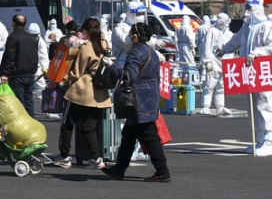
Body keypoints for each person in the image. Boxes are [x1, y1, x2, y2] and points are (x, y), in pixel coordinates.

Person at [102, 22, 171, 182]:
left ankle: (163, 171)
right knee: (128, 135)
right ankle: (119, 169)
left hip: (138, 99)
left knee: (150, 136)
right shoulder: (150, 51)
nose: (129, 37)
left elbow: (128, 75)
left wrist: (112, 67)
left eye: (131, 34)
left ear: (136, 36)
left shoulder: (135, 52)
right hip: (149, 97)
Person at [220, 0, 272, 156]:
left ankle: (270, 142)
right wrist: (224, 49)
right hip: (248, 71)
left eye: (250, 8)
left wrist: (257, 53)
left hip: (263, 71)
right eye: (246, 8)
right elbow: (235, 40)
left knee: (265, 103)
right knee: (252, 105)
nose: (247, 12)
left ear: (258, 9)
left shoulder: (269, 27)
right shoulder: (247, 27)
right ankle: (259, 140)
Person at [54, 18, 112, 169]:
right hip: (98, 93)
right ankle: (97, 158)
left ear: (85, 31)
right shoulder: (104, 43)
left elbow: (77, 71)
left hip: (81, 91)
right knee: (88, 127)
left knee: (67, 123)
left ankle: (64, 156)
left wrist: (65, 79)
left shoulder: (87, 46)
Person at [0, 14, 39, 117]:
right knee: (29, 102)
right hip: (30, 74)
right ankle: (32, 125)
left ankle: (21, 126)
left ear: (14, 24)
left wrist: (5, 73)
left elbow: (9, 57)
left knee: (19, 102)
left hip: (17, 75)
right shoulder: (31, 38)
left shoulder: (13, 37)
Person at [199, 13, 233, 116]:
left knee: (221, 87)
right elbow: (207, 47)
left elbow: (232, 49)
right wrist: (207, 61)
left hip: (224, 63)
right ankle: (205, 106)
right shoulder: (212, 31)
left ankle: (220, 106)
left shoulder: (229, 34)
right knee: (209, 86)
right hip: (213, 61)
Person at [112, 1, 145, 66]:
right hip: (123, 62)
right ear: (131, 13)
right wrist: (152, 42)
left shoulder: (142, 28)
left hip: (138, 63)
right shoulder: (120, 28)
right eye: (138, 14)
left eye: (143, 13)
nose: (141, 17)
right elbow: (129, 43)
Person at [27, 23, 50, 115]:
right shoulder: (26, 41)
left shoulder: (41, 42)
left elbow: (43, 55)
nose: (34, 37)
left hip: (37, 71)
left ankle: (48, 111)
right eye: (32, 35)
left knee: (42, 90)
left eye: (36, 35)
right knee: (26, 93)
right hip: (27, 70)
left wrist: (45, 67)